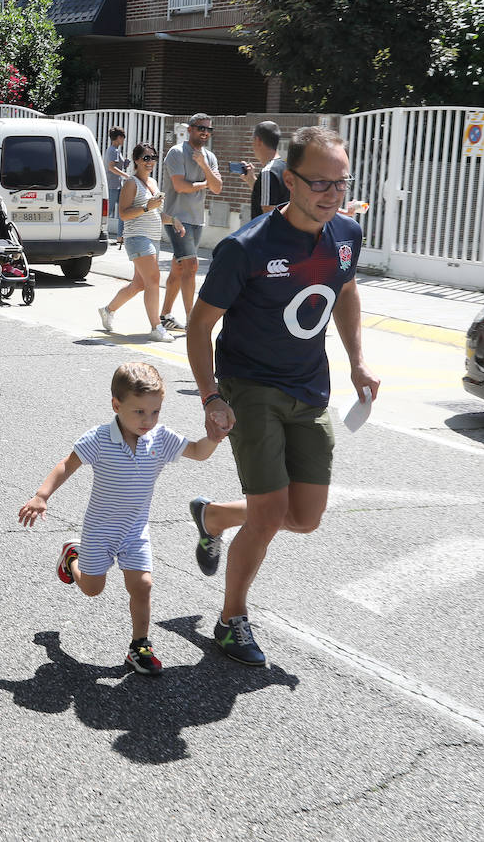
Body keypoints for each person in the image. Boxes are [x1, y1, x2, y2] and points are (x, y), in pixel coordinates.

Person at [185, 126, 378, 667]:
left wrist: (358, 360)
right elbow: (199, 327)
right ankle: (231, 621)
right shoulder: (245, 248)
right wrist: (211, 397)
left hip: (309, 387)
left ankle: (215, 517)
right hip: (251, 388)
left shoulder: (346, 235)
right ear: (289, 180)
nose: (332, 195)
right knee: (269, 516)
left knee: (305, 516)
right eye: (320, 183)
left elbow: (344, 290)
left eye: (340, 183)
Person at [18, 362, 221, 675]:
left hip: (135, 532)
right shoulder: (100, 439)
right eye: (139, 412)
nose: (148, 420)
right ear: (116, 405)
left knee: (142, 585)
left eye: (155, 412)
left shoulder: (161, 438)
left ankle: (140, 645)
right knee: (92, 589)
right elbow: (66, 465)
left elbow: (197, 451)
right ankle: (73, 557)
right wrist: (41, 496)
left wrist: (214, 438)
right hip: (99, 531)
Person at [97, 143, 172, 342]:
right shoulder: (131, 183)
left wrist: (173, 220)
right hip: (137, 238)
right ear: (137, 161)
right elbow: (123, 214)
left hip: (153, 238)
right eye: (145, 158)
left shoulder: (153, 183)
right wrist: (147, 207)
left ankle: (107, 310)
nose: (150, 162)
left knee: (139, 284)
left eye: (153, 157)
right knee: (153, 279)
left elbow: (154, 211)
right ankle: (156, 327)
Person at [158, 113, 223, 331]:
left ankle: (165, 315)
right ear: (190, 130)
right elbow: (180, 187)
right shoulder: (176, 153)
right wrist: (205, 183)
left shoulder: (209, 157)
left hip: (196, 220)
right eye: (200, 128)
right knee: (191, 266)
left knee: (179, 269)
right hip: (176, 218)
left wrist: (204, 167)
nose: (205, 133)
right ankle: (192, 320)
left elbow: (217, 187)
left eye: (208, 130)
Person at [239, 120, 289, 221]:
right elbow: (273, 196)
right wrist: (251, 180)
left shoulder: (268, 171)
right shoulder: (286, 167)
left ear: (258, 140)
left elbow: (268, 215)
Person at [104, 127, 129, 246]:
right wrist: (126, 175)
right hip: (112, 186)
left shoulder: (117, 150)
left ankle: (120, 237)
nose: (124, 140)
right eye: (123, 137)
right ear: (119, 138)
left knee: (122, 211)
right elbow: (111, 167)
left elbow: (117, 166)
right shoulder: (112, 150)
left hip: (119, 186)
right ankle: (98, 232)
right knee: (108, 211)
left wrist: (125, 164)